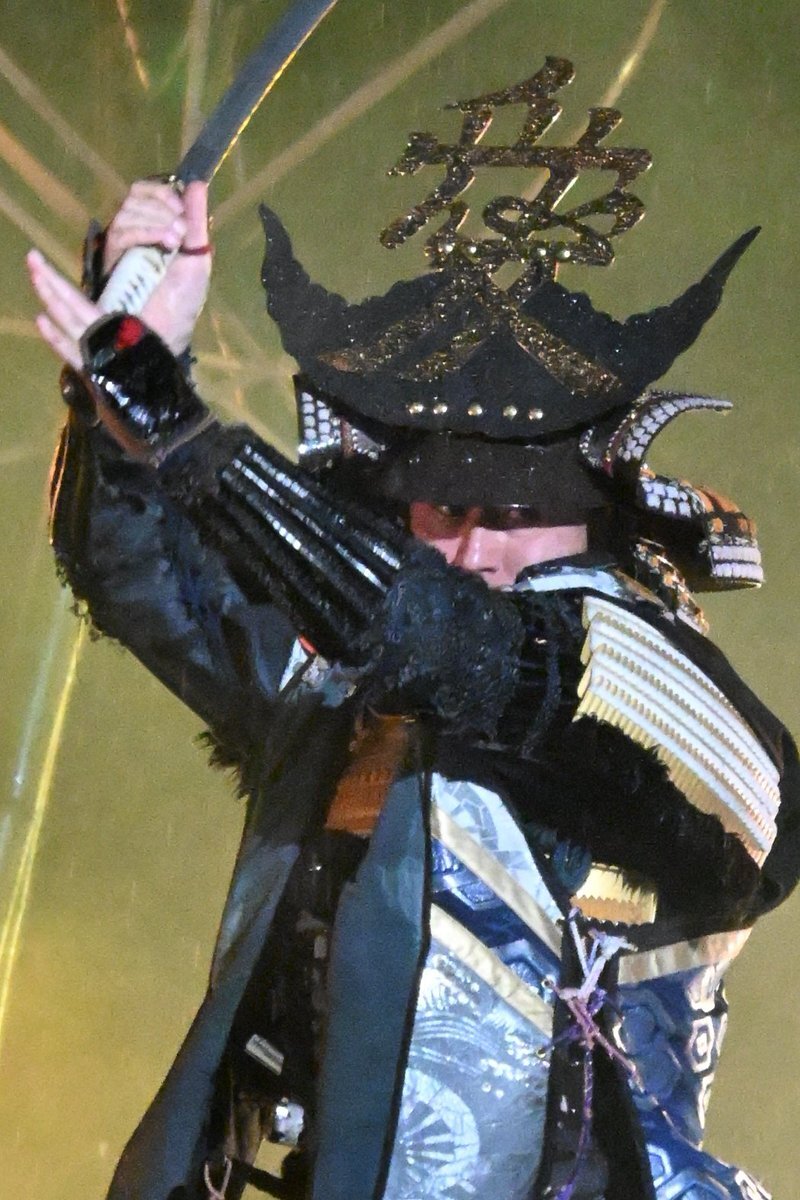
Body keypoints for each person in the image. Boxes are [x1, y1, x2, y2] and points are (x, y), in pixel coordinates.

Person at [28, 65, 800, 1200]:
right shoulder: (340, 681)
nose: (476, 544)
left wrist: (190, 439)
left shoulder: (651, 685)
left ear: (595, 517)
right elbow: (147, 583)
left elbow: (472, 655)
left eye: (518, 516)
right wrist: (126, 391)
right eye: (444, 508)